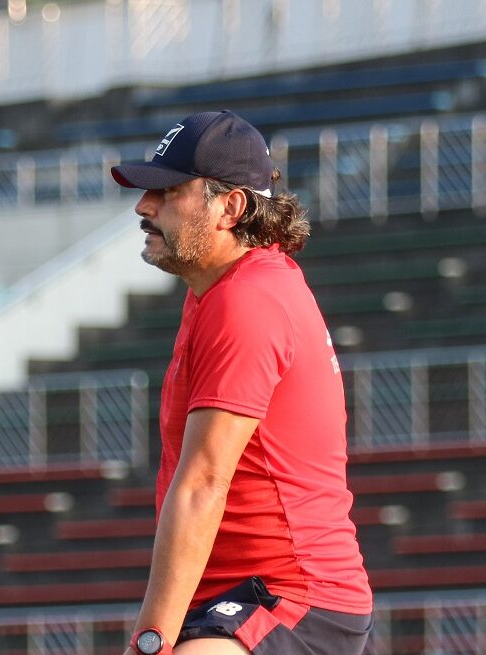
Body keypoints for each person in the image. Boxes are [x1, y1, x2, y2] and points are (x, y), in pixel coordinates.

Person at [110, 110, 374, 655]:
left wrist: (150, 641)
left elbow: (203, 484)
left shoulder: (244, 300)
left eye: (167, 192)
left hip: (293, 597)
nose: (143, 206)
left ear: (230, 207)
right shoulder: (221, 289)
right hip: (246, 598)